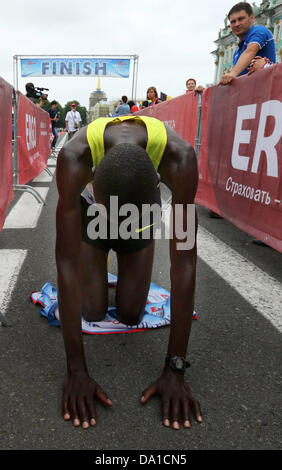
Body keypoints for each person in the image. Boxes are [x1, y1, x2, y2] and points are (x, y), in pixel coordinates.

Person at [56, 115, 203, 430]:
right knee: (92, 311)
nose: (116, 222)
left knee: (129, 314)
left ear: (157, 180)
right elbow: (66, 261)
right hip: (91, 213)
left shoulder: (181, 158)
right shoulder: (73, 156)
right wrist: (76, 370)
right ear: (92, 177)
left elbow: (185, 260)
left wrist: (176, 368)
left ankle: (129, 255)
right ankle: (101, 259)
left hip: (142, 218)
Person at [219, 2, 276, 85]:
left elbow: (250, 51)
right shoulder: (237, 51)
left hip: (268, 93)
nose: (237, 24)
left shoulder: (259, 30)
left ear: (252, 18)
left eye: (241, 19)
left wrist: (232, 73)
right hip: (248, 95)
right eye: (233, 22)